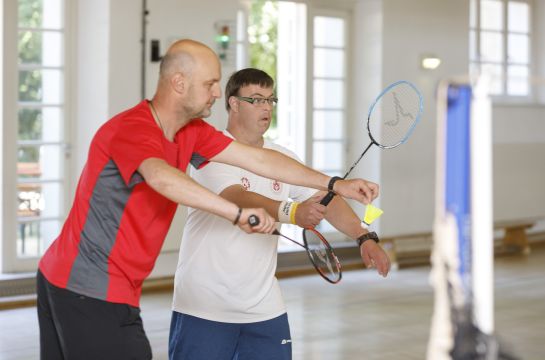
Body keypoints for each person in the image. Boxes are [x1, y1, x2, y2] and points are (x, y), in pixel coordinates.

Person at [36, 40, 378, 360]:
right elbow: (161, 177)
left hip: (99, 284)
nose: (217, 93)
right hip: (86, 284)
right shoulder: (133, 127)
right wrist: (236, 213)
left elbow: (261, 161)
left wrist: (335, 183)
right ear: (179, 83)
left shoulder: (192, 133)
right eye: (210, 84)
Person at [169, 68, 391, 360]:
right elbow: (237, 198)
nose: (266, 107)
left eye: (270, 100)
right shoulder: (208, 148)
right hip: (204, 305)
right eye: (257, 99)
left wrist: (364, 237)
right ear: (234, 103)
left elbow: (325, 198)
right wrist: (293, 212)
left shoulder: (283, 158)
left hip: (264, 308)